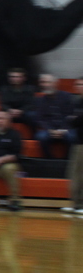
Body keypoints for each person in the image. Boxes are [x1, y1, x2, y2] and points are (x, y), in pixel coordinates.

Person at [33, 73, 75, 159]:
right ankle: (49, 159)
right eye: (43, 82)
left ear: (55, 83)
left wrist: (63, 129)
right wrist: (50, 130)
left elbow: (71, 115)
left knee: (72, 137)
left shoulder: (67, 97)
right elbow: (40, 119)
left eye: (48, 82)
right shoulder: (39, 100)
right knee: (41, 136)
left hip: (66, 129)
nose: (45, 85)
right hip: (49, 130)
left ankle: (67, 160)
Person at [63, 79, 83, 215]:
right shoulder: (77, 102)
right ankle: (76, 204)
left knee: (80, 175)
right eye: (77, 84)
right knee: (74, 174)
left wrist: (75, 119)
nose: (78, 87)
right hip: (78, 141)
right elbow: (70, 120)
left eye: (81, 84)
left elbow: (77, 120)